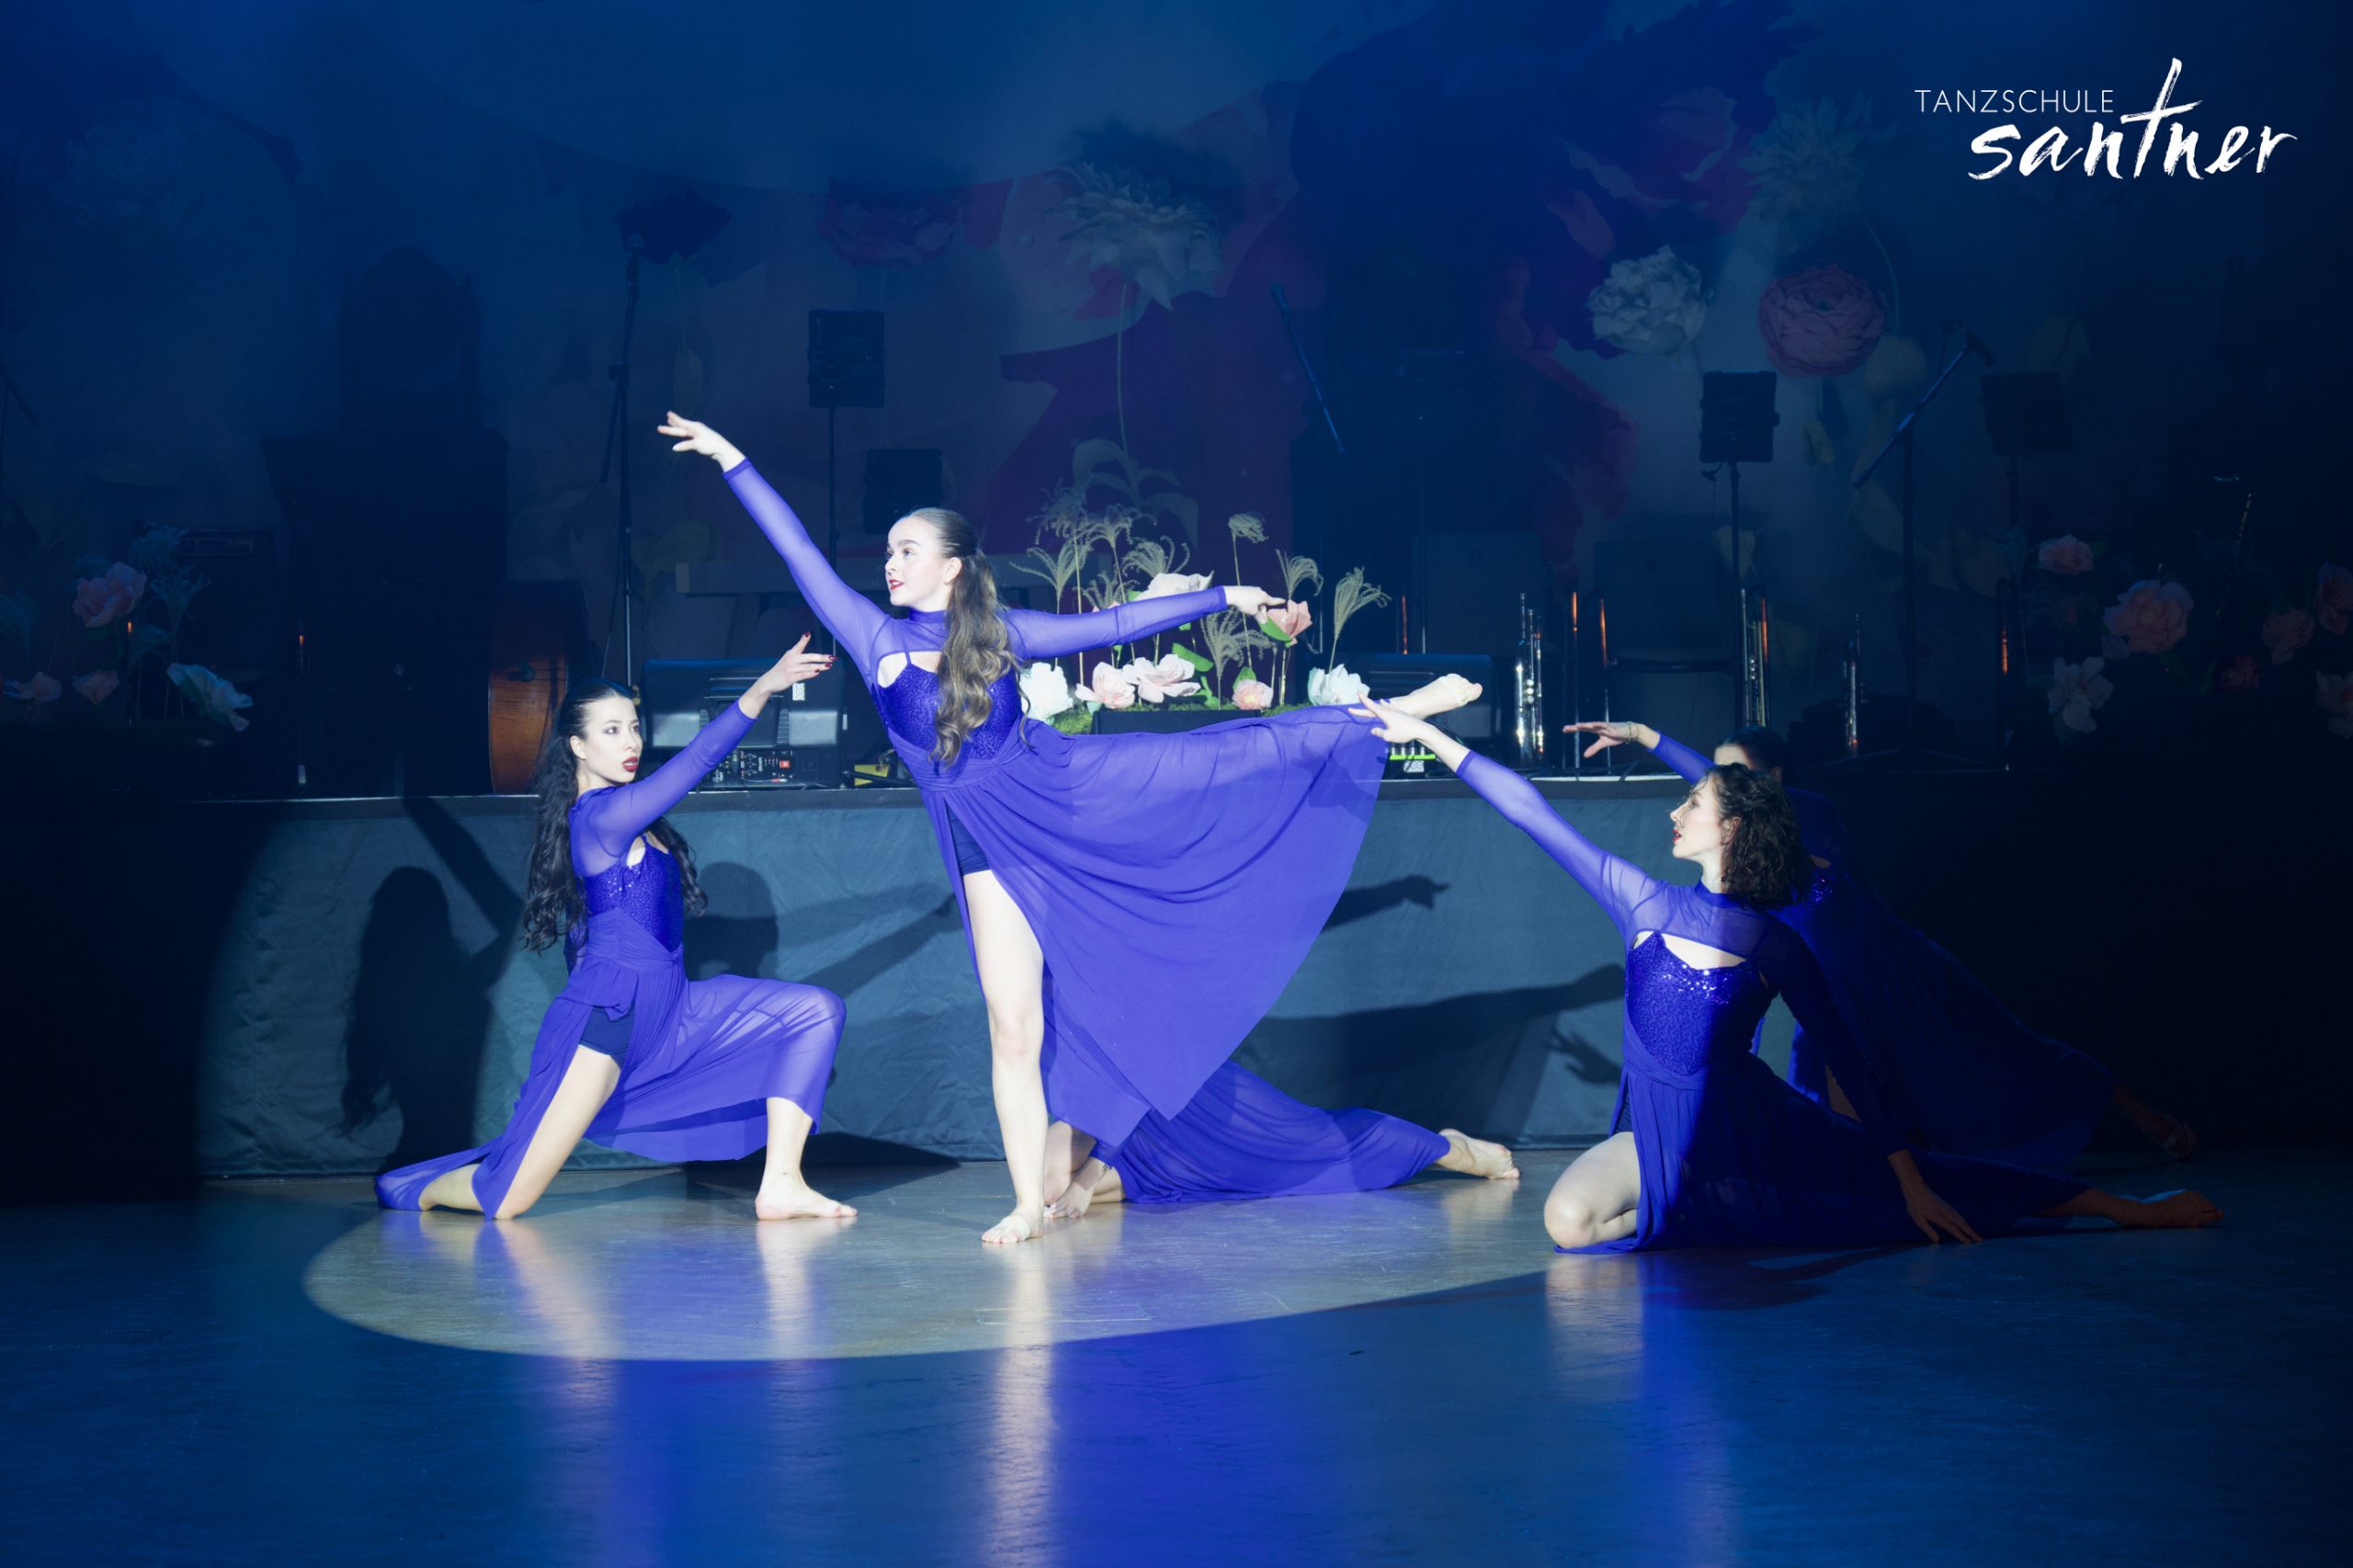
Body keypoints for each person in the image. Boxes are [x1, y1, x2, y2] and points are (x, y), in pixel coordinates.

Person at [665, 412, 1475, 1244]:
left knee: (1213, 757)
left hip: (1062, 800)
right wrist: (732, 457)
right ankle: (1029, 1202)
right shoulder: (875, 638)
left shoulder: (1004, 634)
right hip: (982, 842)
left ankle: (1387, 715)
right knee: (1015, 1027)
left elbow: (1120, 624)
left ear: (952, 565)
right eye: (890, 552)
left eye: (908, 549)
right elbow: (798, 551)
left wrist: (1231, 596)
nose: (891, 563)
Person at [1359, 700, 2221, 1250]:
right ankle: (1709, 1206)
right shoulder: (1642, 903)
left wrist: (1908, 1180)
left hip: (1747, 1124)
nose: (1675, 811)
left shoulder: (1777, 945)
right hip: (1656, 1131)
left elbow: (1851, 1065)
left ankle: (2129, 1207)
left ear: (1732, 829)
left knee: (1922, 1189)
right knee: (1567, 1222)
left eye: (1692, 803)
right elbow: (1530, 811)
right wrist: (1427, 735)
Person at [1566, 720, 2194, 1173]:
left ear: (1774, 778)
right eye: (1719, 778)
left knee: (2017, 1058)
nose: (1724, 788)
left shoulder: (1810, 814)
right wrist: (1644, 736)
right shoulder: (1748, 845)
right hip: (1839, 996)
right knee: (1844, 1118)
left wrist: (1648, 737)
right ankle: (1891, 1190)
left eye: (1739, 775)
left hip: (1905, 977)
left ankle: (2148, 1119)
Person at [375, 641, 853, 1221]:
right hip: (610, 1021)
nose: (631, 743)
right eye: (611, 731)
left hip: (673, 1010)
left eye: (633, 727)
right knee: (505, 1200)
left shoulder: (633, 814)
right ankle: (417, 1190)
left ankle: (781, 1184)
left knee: (814, 1012)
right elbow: (697, 761)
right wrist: (762, 689)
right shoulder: (600, 818)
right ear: (577, 746)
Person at [1041, 1060, 1519, 1218]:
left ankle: (1453, 1149)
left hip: (1197, 1108)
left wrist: (1087, 1179)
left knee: (1320, 1148)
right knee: (1048, 1189)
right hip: (1122, 1124)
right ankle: (1133, 1173)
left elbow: (1144, 1076)